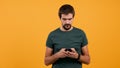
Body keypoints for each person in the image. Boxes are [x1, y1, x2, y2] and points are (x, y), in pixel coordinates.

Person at [44, 4, 90, 68]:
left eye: (70, 19)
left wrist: (77, 56)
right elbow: (46, 62)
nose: (67, 22)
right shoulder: (52, 35)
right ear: (60, 18)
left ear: (73, 18)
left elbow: (88, 60)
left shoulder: (81, 34)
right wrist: (58, 55)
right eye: (64, 19)